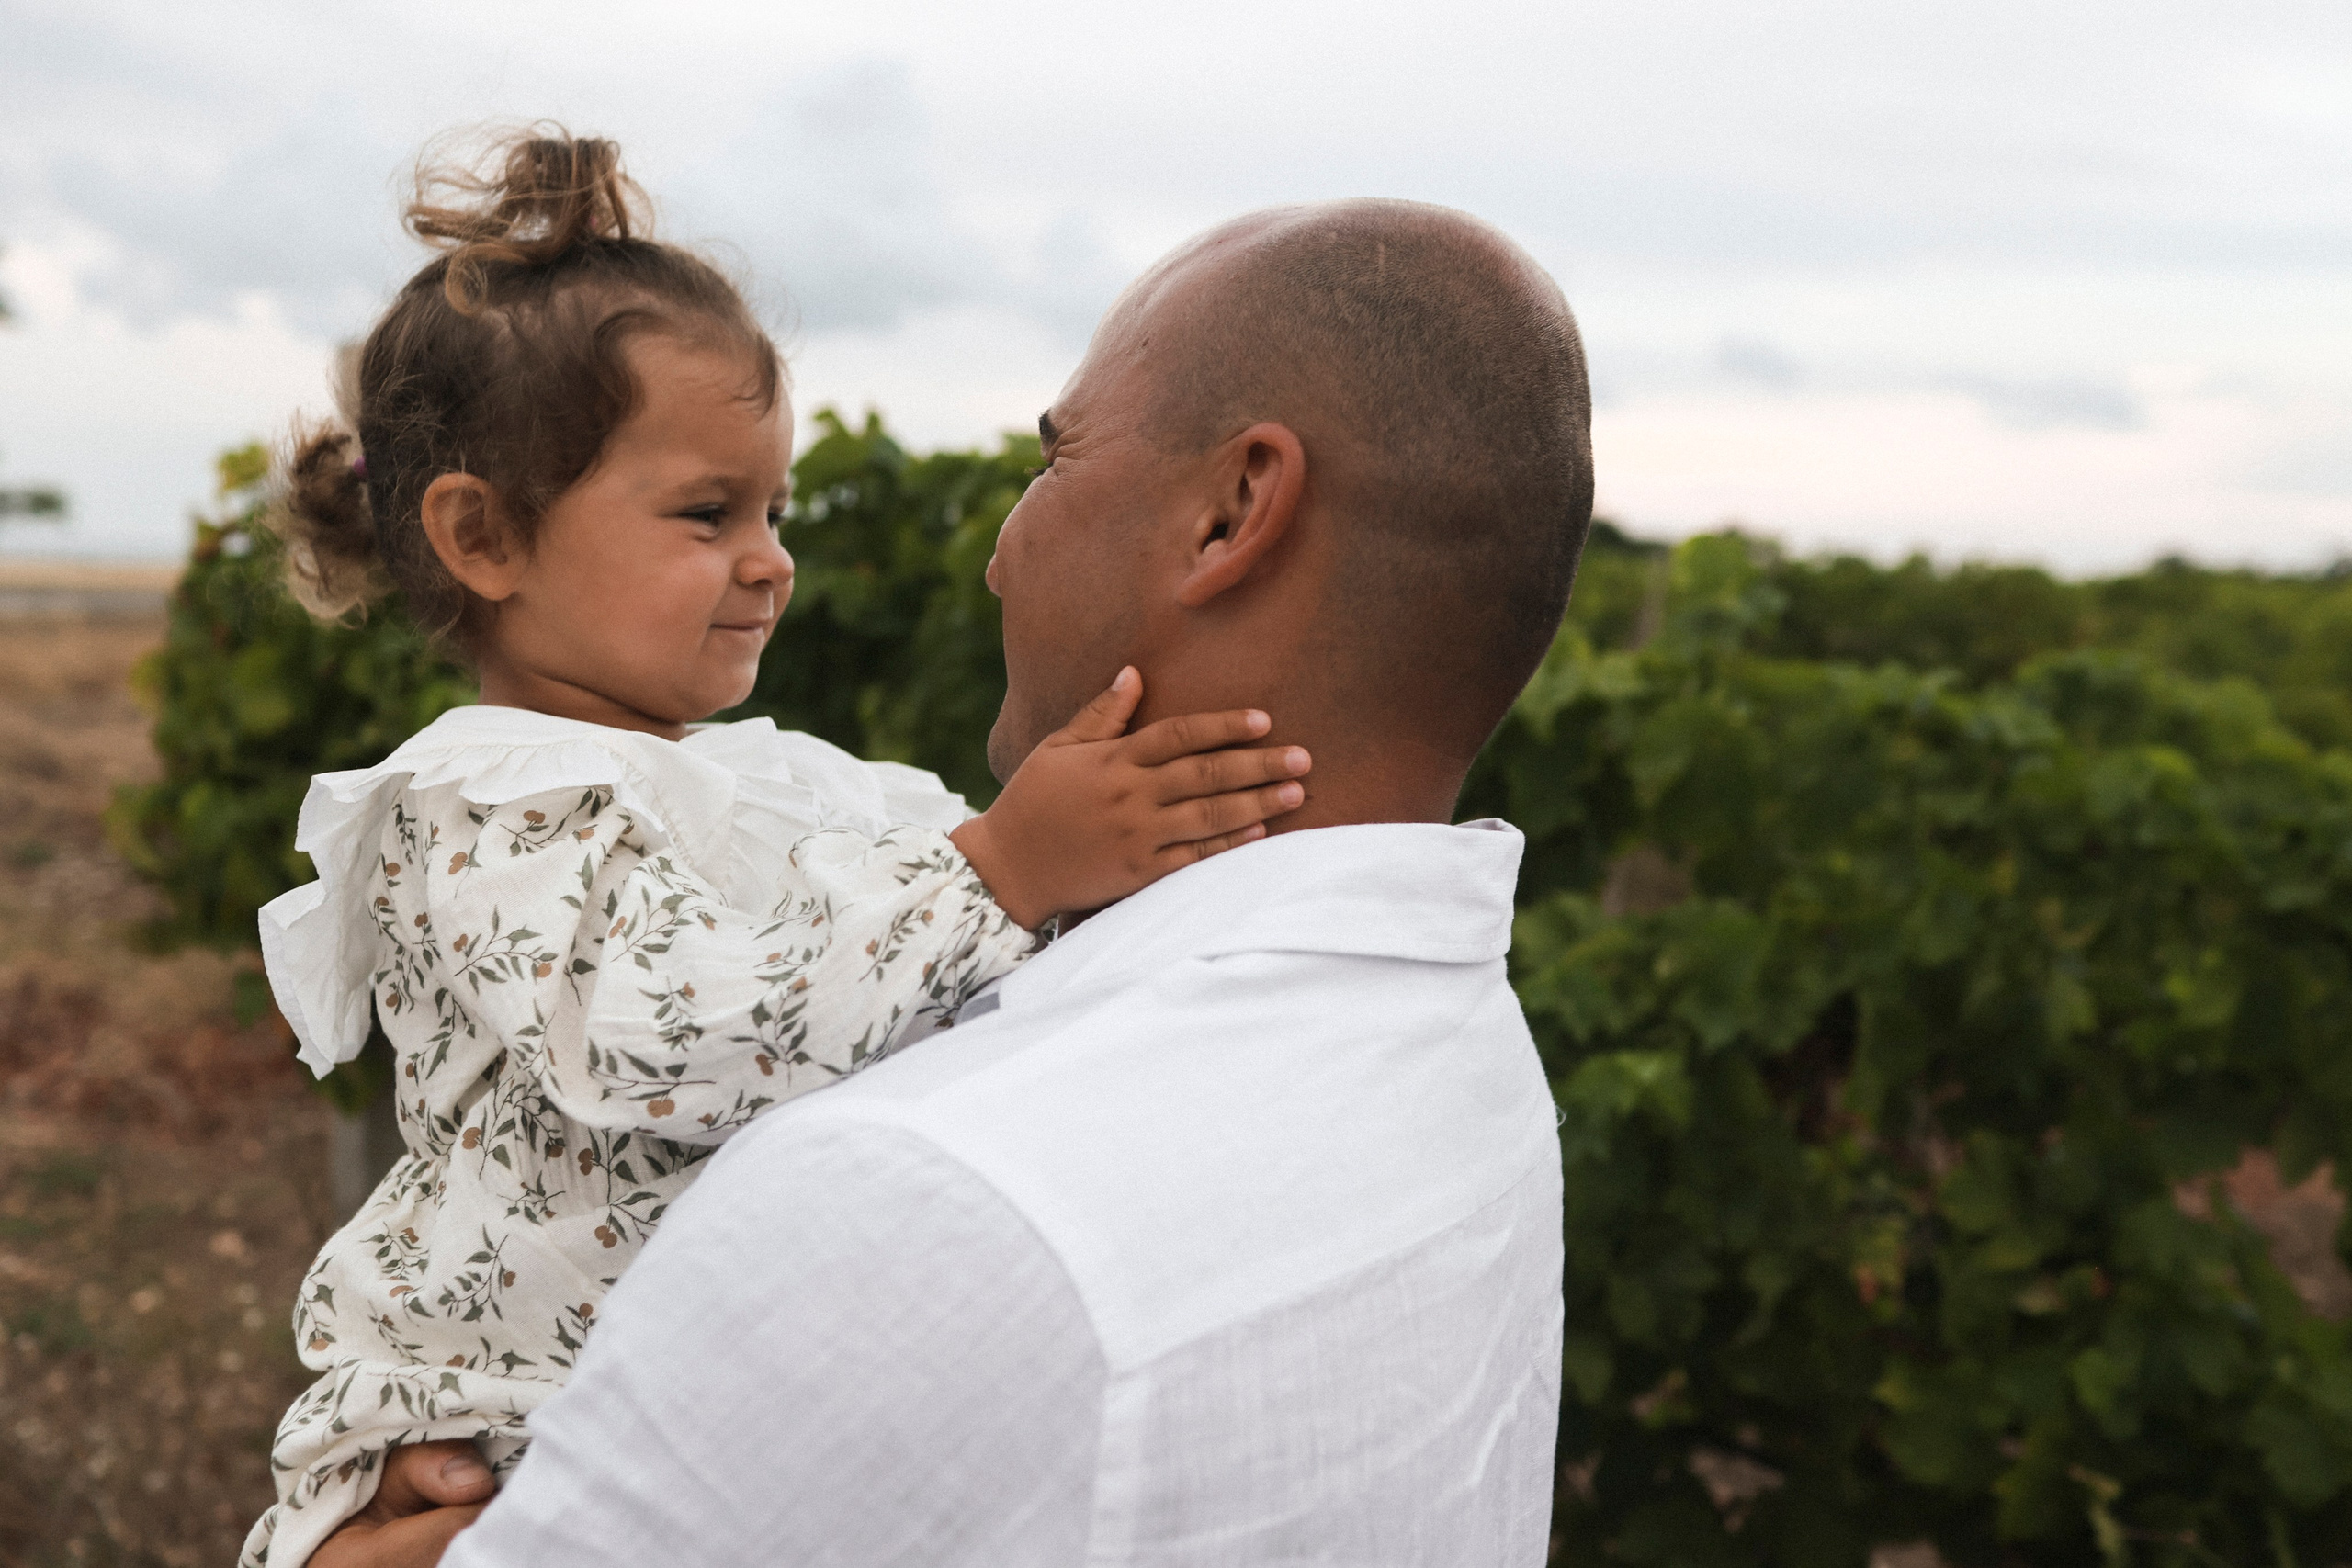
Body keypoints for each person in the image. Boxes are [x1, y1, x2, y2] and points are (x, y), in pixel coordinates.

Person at [336, 194, 1592, 1567]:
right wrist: (1001, 869)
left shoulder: (925, 1200)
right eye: (707, 514)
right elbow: (660, 1028)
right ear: (485, 540)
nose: (994, 554)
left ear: (1232, 512)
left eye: (1052, 463)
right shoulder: (1459, 1058)